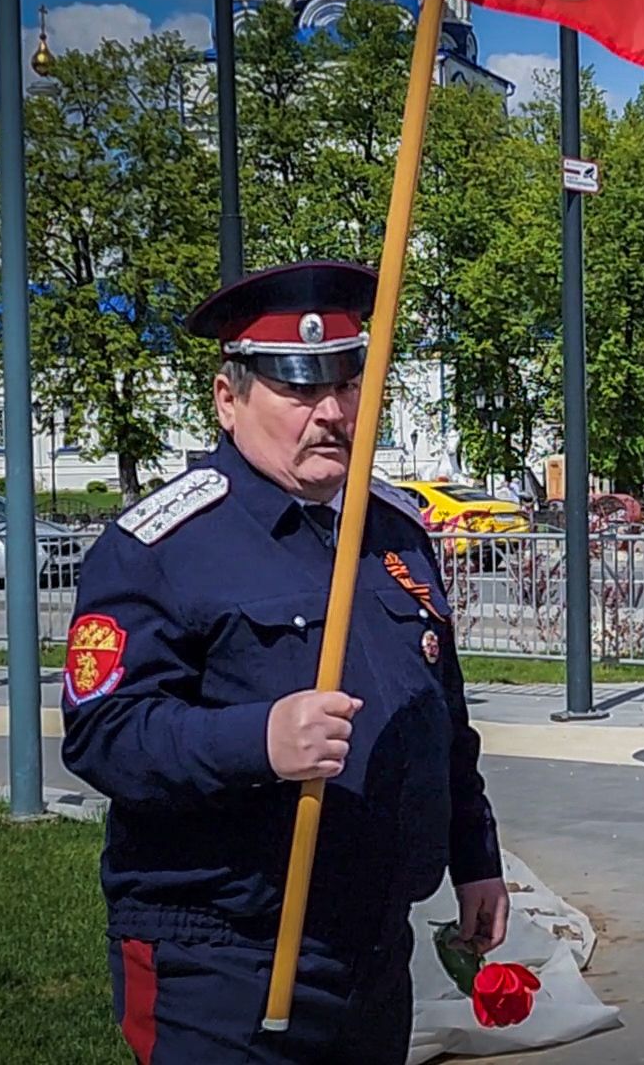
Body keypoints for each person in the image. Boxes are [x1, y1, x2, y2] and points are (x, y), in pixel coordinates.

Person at [59, 262, 508, 1064]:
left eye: (347, 382)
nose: (332, 412)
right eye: (299, 389)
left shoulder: (394, 532)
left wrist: (475, 860)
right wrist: (259, 740)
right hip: (223, 954)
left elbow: (442, 723)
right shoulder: (164, 546)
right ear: (229, 399)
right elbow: (105, 733)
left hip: (370, 949)